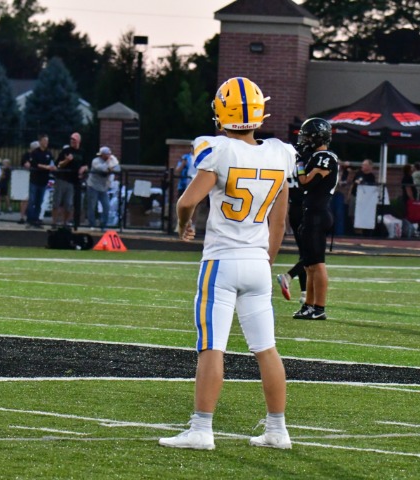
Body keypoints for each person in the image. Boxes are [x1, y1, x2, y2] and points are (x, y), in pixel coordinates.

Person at [159, 77, 294, 451]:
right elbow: (279, 222)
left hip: (221, 261)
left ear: (220, 114)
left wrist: (183, 225)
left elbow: (187, 201)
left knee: (212, 346)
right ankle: (277, 430)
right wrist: (266, 260)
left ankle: (201, 429)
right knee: (266, 348)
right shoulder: (280, 153)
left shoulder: (218, 150)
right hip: (258, 262)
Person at [291, 118, 338, 321]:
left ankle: (319, 307)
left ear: (318, 137)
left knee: (317, 264)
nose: (304, 140)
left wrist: (300, 163)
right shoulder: (317, 156)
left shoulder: (325, 157)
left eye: (308, 137)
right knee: (309, 265)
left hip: (318, 214)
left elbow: (305, 182)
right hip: (311, 213)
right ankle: (309, 305)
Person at [276, 155, 307, 304]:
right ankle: (288, 276)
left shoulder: (286, 165)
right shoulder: (303, 164)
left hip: (293, 209)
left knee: (304, 254)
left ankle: (304, 293)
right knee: (312, 255)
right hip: (305, 209)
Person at [52, 132, 86, 228]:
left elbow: (86, 164)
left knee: (68, 204)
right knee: (57, 202)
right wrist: (67, 160)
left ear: (78, 141)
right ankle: (54, 222)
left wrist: (84, 168)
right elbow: (58, 165)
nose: (72, 141)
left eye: (74, 139)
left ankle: (65, 223)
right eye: (71, 139)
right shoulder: (66, 151)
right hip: (62, 179)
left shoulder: (82, 152)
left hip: (73, 181)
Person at [86, 146, 120, 231]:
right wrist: (109, 164)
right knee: (92, 206)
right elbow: (103, 169)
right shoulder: (96, 161)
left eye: (109, 154)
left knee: (106, 206)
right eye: (107, 154)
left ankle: (103, 225)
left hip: (103, 188)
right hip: (93, 186)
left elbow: (117, 168)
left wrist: (112, 166)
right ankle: (92, 224)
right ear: (102, 154)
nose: (109, 155)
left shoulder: (112, 160)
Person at [26, 135, 55, 228]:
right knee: (32, 200)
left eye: (47, 141)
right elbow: (35, 164)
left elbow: (52, 163)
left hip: (43, 180)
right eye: (44, 140)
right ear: (40, 141)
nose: (46, 142)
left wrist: (52, 167)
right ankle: (30, 219)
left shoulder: (49, 153)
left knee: (39, 201)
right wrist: (46, 167)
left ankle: (36, 220)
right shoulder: (35, 153)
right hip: (34, 180)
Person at [19, 141, 39, 224]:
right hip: (27, 178)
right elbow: (26, 165)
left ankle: (32, 217)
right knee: (25, 198)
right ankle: (22, 216)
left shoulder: (38, 155)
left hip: (36, 179)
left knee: (35, 199)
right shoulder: (26, 156)